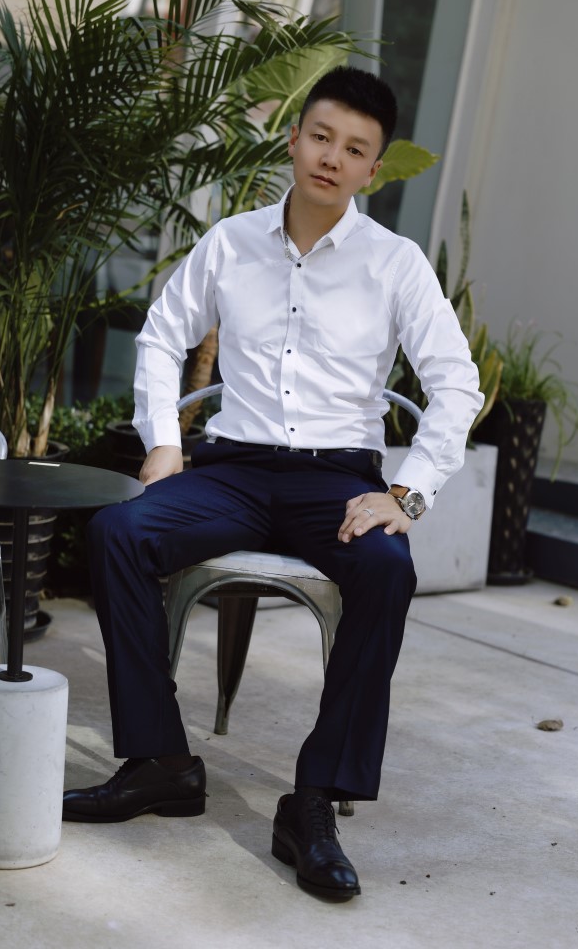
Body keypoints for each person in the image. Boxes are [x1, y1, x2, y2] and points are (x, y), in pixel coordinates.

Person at [63, 66, 484, 902]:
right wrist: (163, 445)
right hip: (233, 469)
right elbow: (160, 337)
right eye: (321, 137)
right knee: (117, 532)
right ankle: (161, 761)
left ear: (374, 169)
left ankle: (314, 801)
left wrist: (407, 494)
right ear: (294, 140)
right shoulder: (231, 242)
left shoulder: (394, 264)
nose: (332, 157)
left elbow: (456, 384)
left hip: (336, 480)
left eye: (354, 149)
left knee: (386, 569)